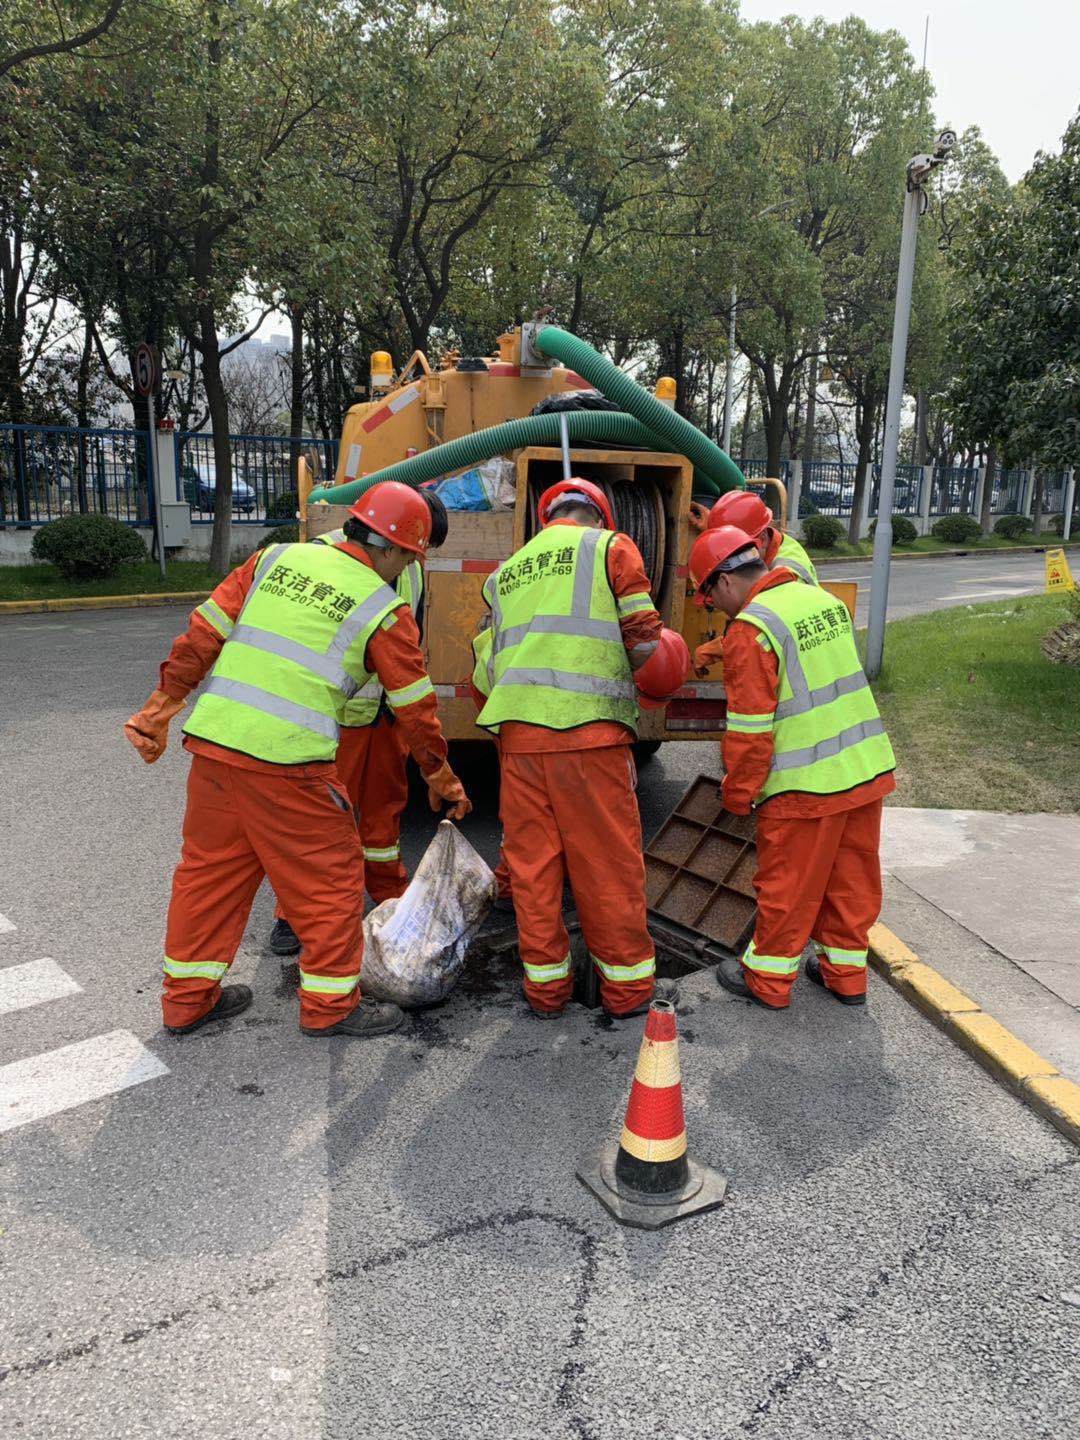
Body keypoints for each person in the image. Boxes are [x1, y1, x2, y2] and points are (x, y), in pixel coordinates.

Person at [124, 481, 470, 1040]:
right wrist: (440, 775)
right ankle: (332, 1007)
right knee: (332, 878)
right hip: (289, 763)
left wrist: (161, 706)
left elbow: (202, 634)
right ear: (387, 547)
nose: (406, 566)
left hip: (214, 747)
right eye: (407, 554)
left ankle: (185, 1001)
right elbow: (414, 705)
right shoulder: (383, 607)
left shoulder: (274, 558)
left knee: (207, 878)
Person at [470, 477, 683, 1020]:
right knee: (607, 868)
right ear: (600, 516)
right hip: (590, 740)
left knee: (534, 871)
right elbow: (643, 641)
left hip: (519, 745)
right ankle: (629, 994)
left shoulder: (505, 575)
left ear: (548, 519)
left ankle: (545, 991)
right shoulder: (611, 548)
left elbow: (482, 674)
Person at [688, 524, 896, 1011]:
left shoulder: (750, 630)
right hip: (864, 770)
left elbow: (750, 734)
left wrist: (737, 795)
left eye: (709, 600)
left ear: (723, 582)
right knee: (851, 881)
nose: (715, 611)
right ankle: (845, 975)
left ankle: (767, 980)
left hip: (805, 787)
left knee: (787, 886)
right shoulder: (818, 600)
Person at [268, 487, 449, 956]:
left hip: (383, 717)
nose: (412, 562)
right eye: (410, 551)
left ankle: (390, 896)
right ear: (391, 536)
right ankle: (291, 918)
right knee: (321, 824)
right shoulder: (322, 556)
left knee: (384, 815)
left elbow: (410, 641)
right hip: (335, 720)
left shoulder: (411, 568)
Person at [705, 490, 818, 584]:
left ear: (763, 539)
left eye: (738, 553)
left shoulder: (785, 577)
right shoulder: (774, 541)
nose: (732, 561)